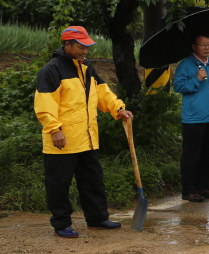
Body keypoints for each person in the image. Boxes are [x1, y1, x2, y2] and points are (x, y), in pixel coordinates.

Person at [34, 26, 135, 238]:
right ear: (67, 45)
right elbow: (44, 104)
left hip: (87, 138)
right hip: (62, 140)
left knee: (93, 180)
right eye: (81, 47)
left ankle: (97, 220)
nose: (85, 51)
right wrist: (54, 130)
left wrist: (118, 109)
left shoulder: (87, 68)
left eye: (87, 47)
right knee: (59, 184)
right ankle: (61, 224)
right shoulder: (51, 70)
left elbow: (102, 93)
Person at [173, 34, 209, 203]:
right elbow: (178, 86)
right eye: (202, 45)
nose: (207, 47)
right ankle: (189, 189)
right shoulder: (186, 65)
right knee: (191, 155)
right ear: (194, 46)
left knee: (206, 154)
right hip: (194, 118)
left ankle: (203, 186)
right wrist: (197, 79)